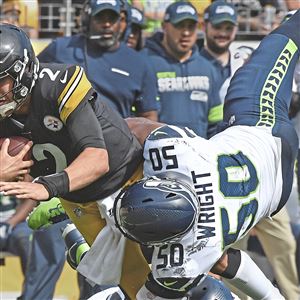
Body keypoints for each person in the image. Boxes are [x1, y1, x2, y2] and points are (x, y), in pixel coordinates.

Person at [113, 9, 300, 299]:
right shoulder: (177, 153)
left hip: (272, 195)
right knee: (281, 44)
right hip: (261, 132)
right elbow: (133, 126)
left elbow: (227, 261)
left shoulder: (195, 254)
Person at [0, 22, 151, 299]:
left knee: (175, 271)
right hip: (79, 200)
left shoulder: (57, 85)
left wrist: (47, 186)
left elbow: (97, 159)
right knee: (134, 285)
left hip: (128, 181)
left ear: (22, 71)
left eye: (0, 80)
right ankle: (82, 249)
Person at [200, 3, 300, 298]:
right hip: (262, 156)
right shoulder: (209, 67)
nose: (222, 32)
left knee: (225, 256)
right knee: (224, 255)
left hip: (240, 166)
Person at [38, 0, 158, 120]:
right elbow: (29, 78)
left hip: (115, 136)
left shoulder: (139, 63)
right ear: (87, 21)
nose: (106, 24)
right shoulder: (60, 48)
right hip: (63, 133)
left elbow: (148, 115)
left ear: (121, 23)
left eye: (112, 18)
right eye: (100, 18)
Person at [142, 1, 223, 138]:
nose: (186, 32)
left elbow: (215, 121)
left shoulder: (208, 68)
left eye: (191, 27)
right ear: (164, 27)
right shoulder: (146, 63)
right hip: (159, 153)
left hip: (200, 154)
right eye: (179, 26)